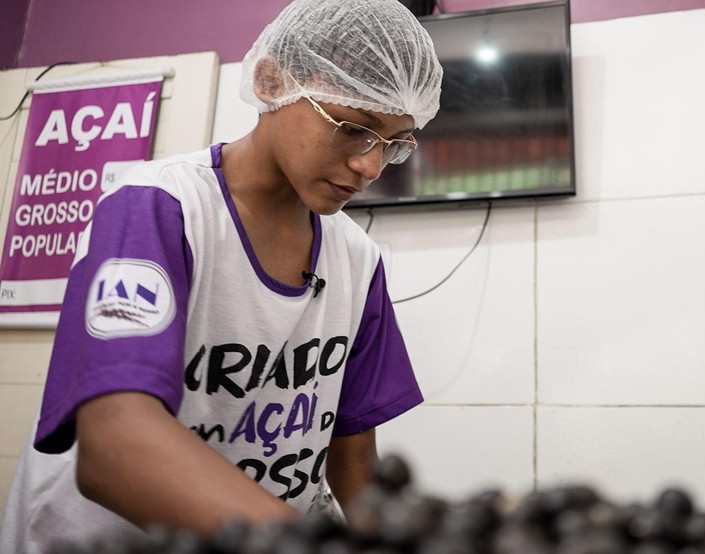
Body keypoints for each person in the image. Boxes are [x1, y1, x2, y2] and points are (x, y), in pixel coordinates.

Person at [0, 0, 443, 550]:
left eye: (394, 144)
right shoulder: (159, 208)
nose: (371, 166)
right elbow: (115, 445)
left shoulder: (357, 260)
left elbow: (353, 464)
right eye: (353, 129)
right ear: (271, 78)